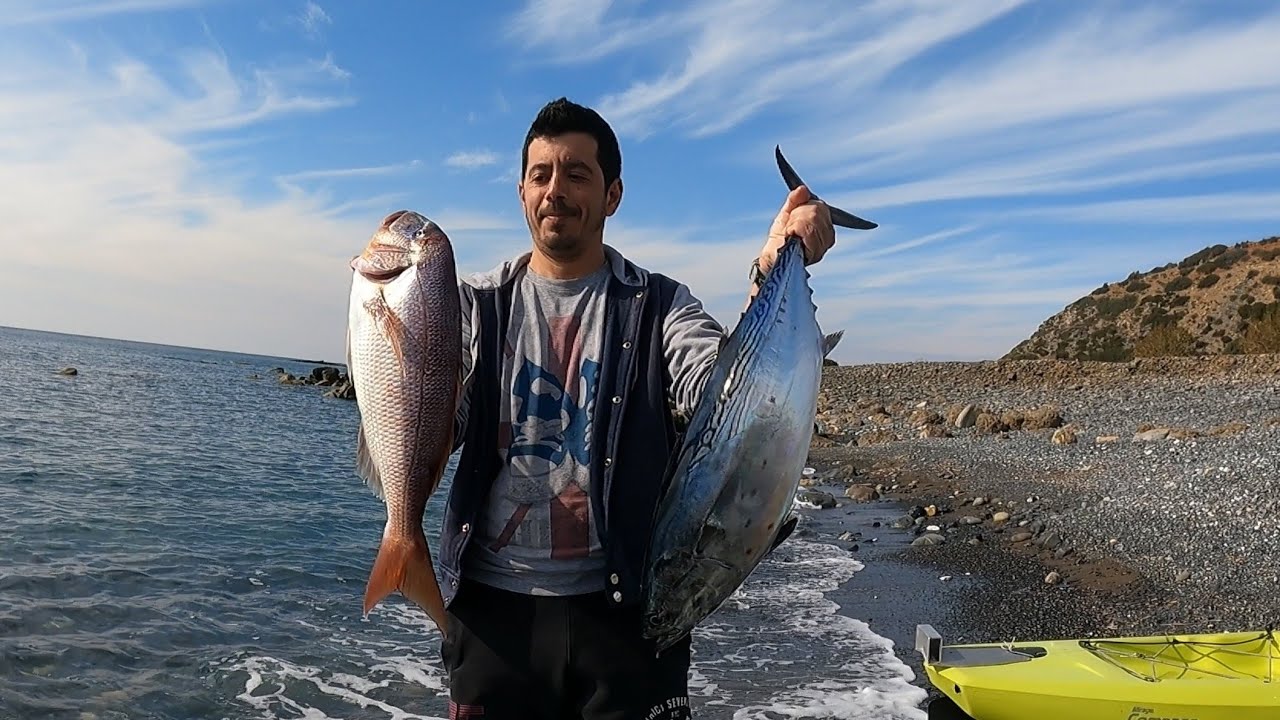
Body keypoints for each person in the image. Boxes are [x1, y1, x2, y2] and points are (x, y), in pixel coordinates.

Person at [435, 97, 837, 720]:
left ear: (613, 194)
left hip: (627, 612)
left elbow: (715, 392)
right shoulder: (475, 304)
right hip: (493, 615)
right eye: (541, 175)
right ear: (521, 193)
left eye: (577, 174)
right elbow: (440, 425)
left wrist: (772, 266)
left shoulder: (662, 306)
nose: (555, 191)